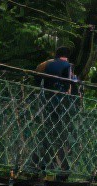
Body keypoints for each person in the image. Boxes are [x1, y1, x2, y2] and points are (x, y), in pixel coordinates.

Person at [32, 47, 76, 177]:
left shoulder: (45, 65)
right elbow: (68, 87)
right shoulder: (67, 66)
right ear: (67, 56)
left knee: (44, 134)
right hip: (60, 107)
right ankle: (60, 169)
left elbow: (37, 82)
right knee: (60, 138)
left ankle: (39, 165)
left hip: (44, 104)